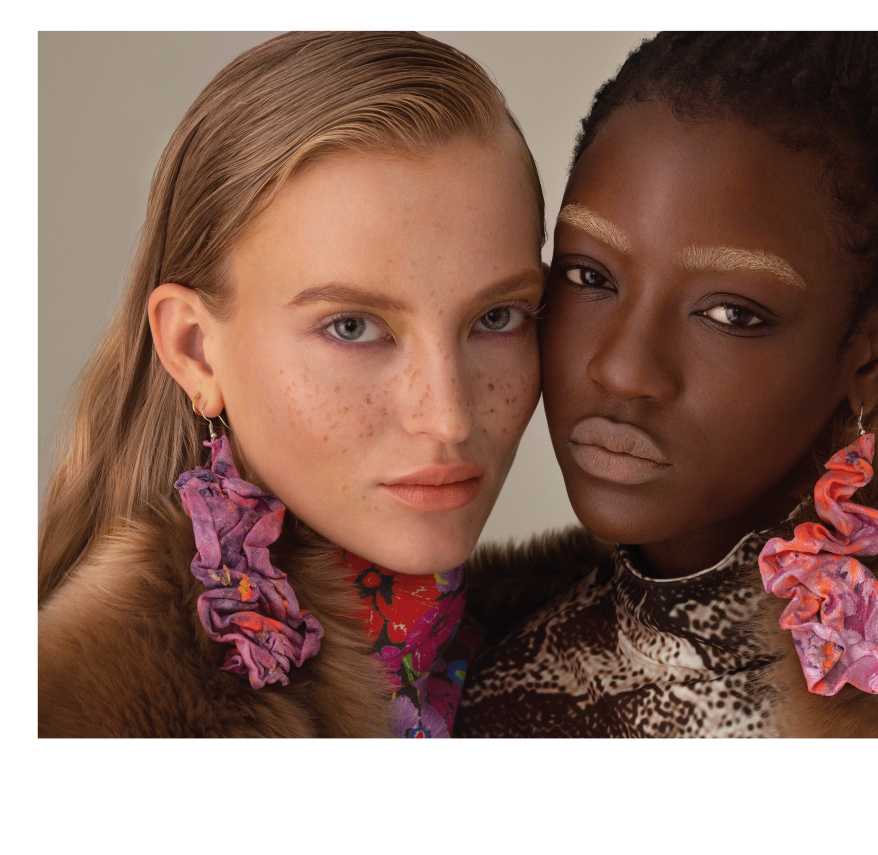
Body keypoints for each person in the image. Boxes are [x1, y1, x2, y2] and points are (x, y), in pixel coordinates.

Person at [455, 32, 878, 738]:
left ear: (874, 352)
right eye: (589, 276)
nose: (623, 369)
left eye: (732, 314)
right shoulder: (450, 685)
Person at [38, 32, 548, 737]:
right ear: (195, 350)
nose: (448, 416)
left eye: (497, 317)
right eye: (352, 327)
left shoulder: (593, 661)